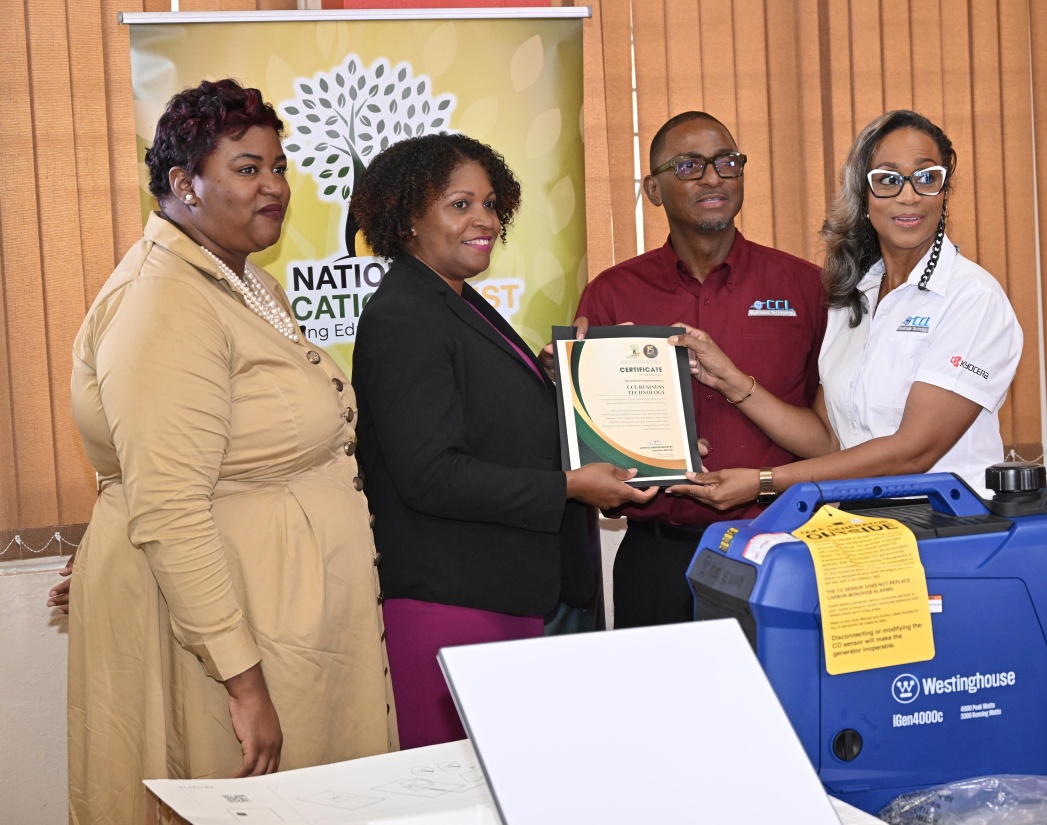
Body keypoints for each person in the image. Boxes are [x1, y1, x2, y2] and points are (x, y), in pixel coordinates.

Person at [66, 79, 394, 824]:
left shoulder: (246, 282)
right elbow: (171, 504)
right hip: (225, 642)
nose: (275, 186)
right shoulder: (164, 301)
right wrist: (244, 687)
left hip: (277, 611)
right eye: (248, 169)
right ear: (184, 183)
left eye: (279, 166)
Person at [349, 132, 656, 750]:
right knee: (452, 797)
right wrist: (572, 485)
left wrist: (562, 384)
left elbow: (490, 424)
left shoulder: (457, 300)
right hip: (449, 598)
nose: (484, 220)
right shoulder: (405, 314)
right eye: (459, 204)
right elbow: (430, 473)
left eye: (491, 204)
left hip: (499, 591)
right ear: (408, 216)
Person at [667, 110, 1024, 509]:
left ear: (944, 191)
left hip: (952, 529)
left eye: (926, 178)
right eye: (887, 180)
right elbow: (829, 438)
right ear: (863, 195)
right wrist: (729, 380)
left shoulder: (972, 297)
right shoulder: (855, 296)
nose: (909, 196)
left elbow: (913, 451)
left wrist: (764, 482)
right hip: (866, 530)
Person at [568, 111, 827, 628]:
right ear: (654, 189)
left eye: (727, 162)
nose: (713, 177)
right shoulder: (612, 294)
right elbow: (593, 437)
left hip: (778, 550)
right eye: (689, 165)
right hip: (657, 559)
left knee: (779, 708)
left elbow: (833, 438)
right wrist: (568, 388)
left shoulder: (808, 288)